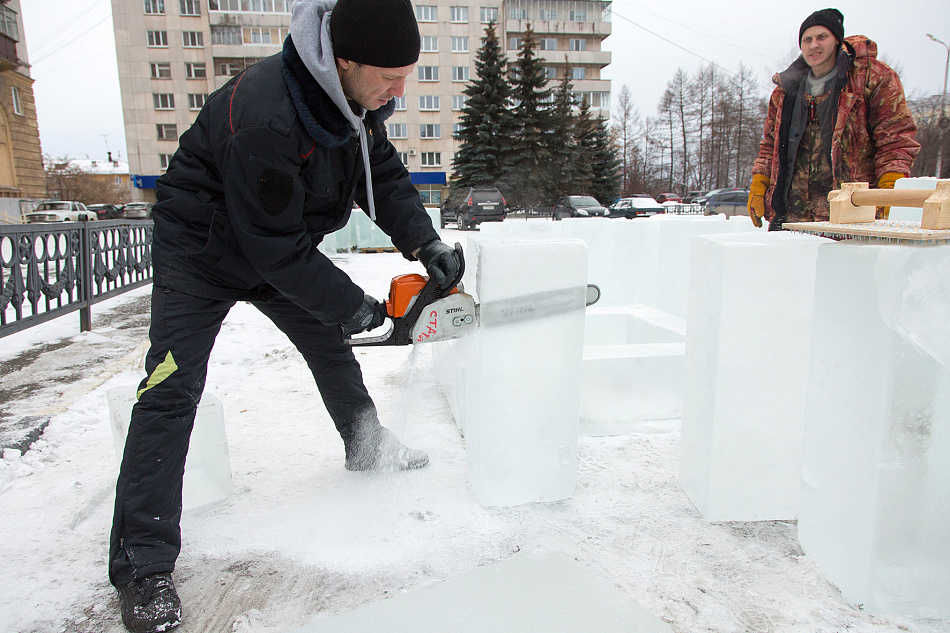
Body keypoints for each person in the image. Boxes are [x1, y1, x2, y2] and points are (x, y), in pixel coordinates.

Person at [109, 0, 460, 630]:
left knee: (328, 344)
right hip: (201, 252)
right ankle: (143, 567)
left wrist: (423, 240)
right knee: (171, 388)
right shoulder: (266, 113)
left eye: (407, 75)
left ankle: (365, 443)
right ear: (344, 60)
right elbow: (274, 249)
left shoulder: (354, 101)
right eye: (389, 76)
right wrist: (356, 306)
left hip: (273, 243)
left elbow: (376, 171)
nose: (397, 91)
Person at [749, 8, 920, 230]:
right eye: (807, 39)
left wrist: (889, 188)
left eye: (822, 37)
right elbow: (770, 144)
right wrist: (760, 183)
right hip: (792, 217)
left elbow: (895, 139)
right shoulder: (786, 90)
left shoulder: (871, 78)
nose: (814, 45)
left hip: (851, 216)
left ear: (837, 41)